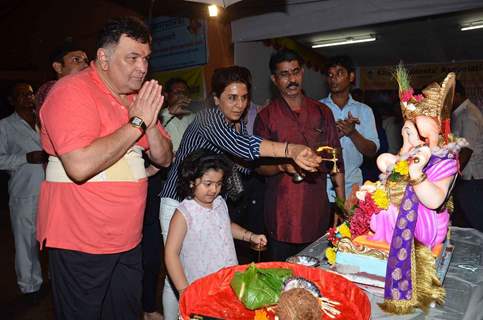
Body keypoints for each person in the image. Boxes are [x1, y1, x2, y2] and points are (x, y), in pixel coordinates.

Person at [159, 65, 321, 320]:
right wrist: (289, 150)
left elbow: (242, 169)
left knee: (207, 267)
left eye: (244, 97)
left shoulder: (235, 125)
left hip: (210, 203)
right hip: (180, 201)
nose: (239, 104)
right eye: (231, 97)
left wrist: (279, 165)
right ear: (215, 99)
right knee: (176, 274)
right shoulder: (208, 119)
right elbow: (243, 148)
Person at [37, 16, 172, 320]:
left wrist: (149, 124)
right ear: (103, 58)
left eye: (146, 58)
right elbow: (80, 166)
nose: (142, 67)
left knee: (124, 313)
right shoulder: (71, 92)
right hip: (80, 241)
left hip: (127, 239)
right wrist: (137, 122)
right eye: (132, 58)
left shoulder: (139, 99)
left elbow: (164, 158)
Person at [370, 71, 461, 313]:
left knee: (389, 209)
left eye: (421, 138)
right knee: (379, 205)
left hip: (427, 222)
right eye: (409, 136)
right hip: (402, 212)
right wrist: (396, 159)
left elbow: (434, 200)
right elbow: (391, 165)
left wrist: (418, 174)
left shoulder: (445, 162)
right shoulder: (411, 152)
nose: (413, 144)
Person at [254, 49, 345, 261]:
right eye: (284, 74)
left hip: (317, 210)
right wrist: (281, 167)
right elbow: (258, 166)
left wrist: (340, 205)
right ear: (274, 79)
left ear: (302, 73)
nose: (292, 79)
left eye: (295, 72)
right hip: (281, 214)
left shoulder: (322, 112)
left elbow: (336, 160)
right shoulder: (266, 117)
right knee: (282, 277)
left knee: (316, 274)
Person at [164, 149, 267, 304]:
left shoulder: (219, 202)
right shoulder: (184, 213)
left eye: (218, 184)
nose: (214, 190)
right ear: (191, 181)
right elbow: (171, 254)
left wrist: (250, 236)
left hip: (230, 281)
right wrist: (185, 291)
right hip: (203, 288)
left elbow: (225, 226)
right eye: (208, 184)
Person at [0, 82, 47, 302]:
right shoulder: (5, 126)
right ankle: (29, 286)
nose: (28, 98)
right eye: (21, 95)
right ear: (11, 100)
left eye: (30, 93)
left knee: (52, 239)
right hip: (24, 192)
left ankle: (52, 278)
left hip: (52, 190)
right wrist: (24, 158)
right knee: (25, 242)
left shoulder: (43, 119)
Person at [320, 55, 379, 201]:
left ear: (351, 76)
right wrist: (335, 135)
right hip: (321, 186)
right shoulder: (317, 108)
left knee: (352, 224)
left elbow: (372, 151)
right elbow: (309, 147)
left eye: (339, 73)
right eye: (330, 75)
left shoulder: (364, 110)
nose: (333, 78)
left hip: (353, 187)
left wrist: (352, 132)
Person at [451, 80, 483, 231]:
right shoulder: (460, 114)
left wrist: (454, 175)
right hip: (467, 175)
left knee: (476, 219)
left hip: (471, 177)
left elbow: (467, 150)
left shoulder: (468, 115)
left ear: (456, 95)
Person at [35, 38, 88, 114]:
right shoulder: (49, 90)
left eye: (86, 61)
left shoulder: (84, 88)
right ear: (58, 67)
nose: (86, 65)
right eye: (76, 60)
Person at [160, 78, 196, 152]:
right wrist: (170, 113)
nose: (182, 95)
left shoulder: (193, 117)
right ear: (166, 96)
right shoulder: (158, 116)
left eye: (185, 92)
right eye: (177, 92)